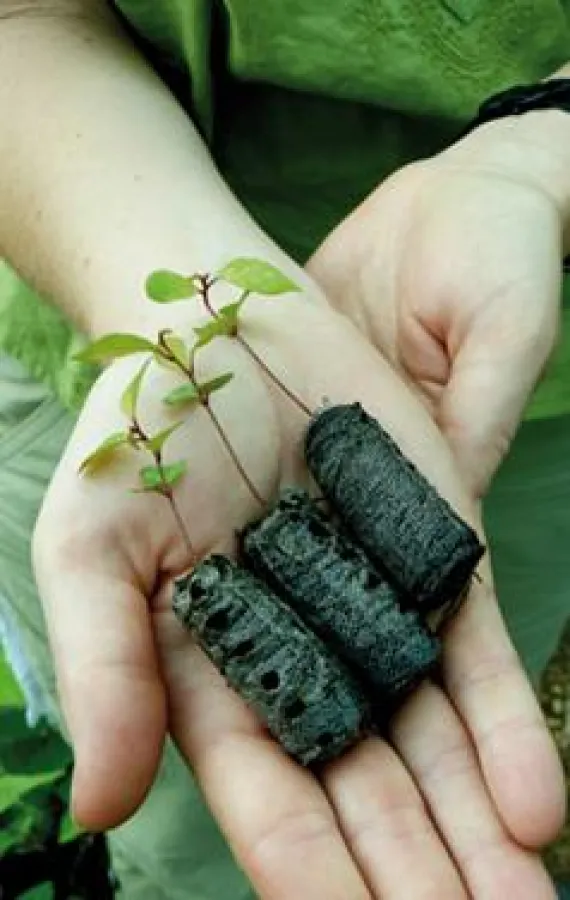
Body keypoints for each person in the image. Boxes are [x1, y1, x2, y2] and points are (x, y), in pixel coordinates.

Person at [0, 1, 568, 897]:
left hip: (512, 344)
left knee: (480, 693)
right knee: (189, 832)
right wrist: (160, 282)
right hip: (76, 256)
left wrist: (543, 149)